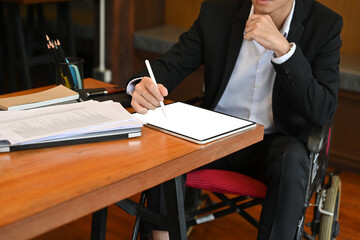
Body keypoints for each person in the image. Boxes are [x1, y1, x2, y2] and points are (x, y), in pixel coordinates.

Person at [127, 0, 343, 239]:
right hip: (214, 134)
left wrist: (284, 50)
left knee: (292, 158)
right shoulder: (218, 10)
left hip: (275, 143)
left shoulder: (324, 24)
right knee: (162, 141)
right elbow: (171, 65)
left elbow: (322, 111)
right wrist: (141, 86)